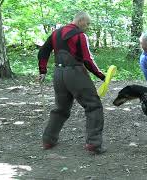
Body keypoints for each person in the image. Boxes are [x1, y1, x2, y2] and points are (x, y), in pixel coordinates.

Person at [38, 11, 106, 154]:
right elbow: (87, 60)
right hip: (75, 74)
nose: (87, 27)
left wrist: (43, 71)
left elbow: (43, 51)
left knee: (60, 108)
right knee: (93, 105)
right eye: (87, 23)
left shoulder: (56, 33)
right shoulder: (80, 36)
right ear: (80, 21)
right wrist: (101, 76)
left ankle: (48, 141)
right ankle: (93, 144)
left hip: (58, 74)